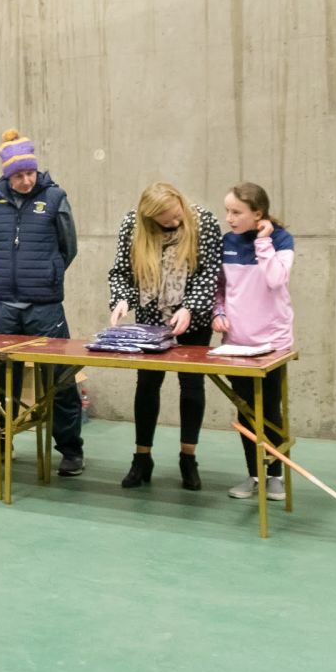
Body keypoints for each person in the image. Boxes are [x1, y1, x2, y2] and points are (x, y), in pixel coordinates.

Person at [0, 129, 85, 476]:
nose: (25, 180)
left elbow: (69, 247)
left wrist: (48, 273)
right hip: (3, 305)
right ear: (7, 174)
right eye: (17, 175)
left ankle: (70, 449)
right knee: (2, 378)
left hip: (44, 306)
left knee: (60, 379)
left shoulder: (54, 197)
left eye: (29, 173)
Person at [108, 181, 222, 490]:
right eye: (167, 220)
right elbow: (122, 271)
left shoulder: (203, 221)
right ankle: (142, 457)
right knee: (147, 384)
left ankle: (188, 457)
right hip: (150, 318)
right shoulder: (133, 224)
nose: (175, 222)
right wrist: (122, 301)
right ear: (151, 219)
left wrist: (190, 308)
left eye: (177, 214)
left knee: (191, 384)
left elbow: (210, 272)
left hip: (191, 320)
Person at [214, 183, 295, 500]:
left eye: (236, 212)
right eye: (228, 211)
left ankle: (275, 475)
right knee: (246, 412)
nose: (229, 218)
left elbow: (275, 280)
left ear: (258, 214)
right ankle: (254, 475)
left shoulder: (281, 240)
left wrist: (263, 242)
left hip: (272, 344)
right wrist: (218, 311)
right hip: (237, 342)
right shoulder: (227, 242)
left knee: (269, 410)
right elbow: (220, 288)